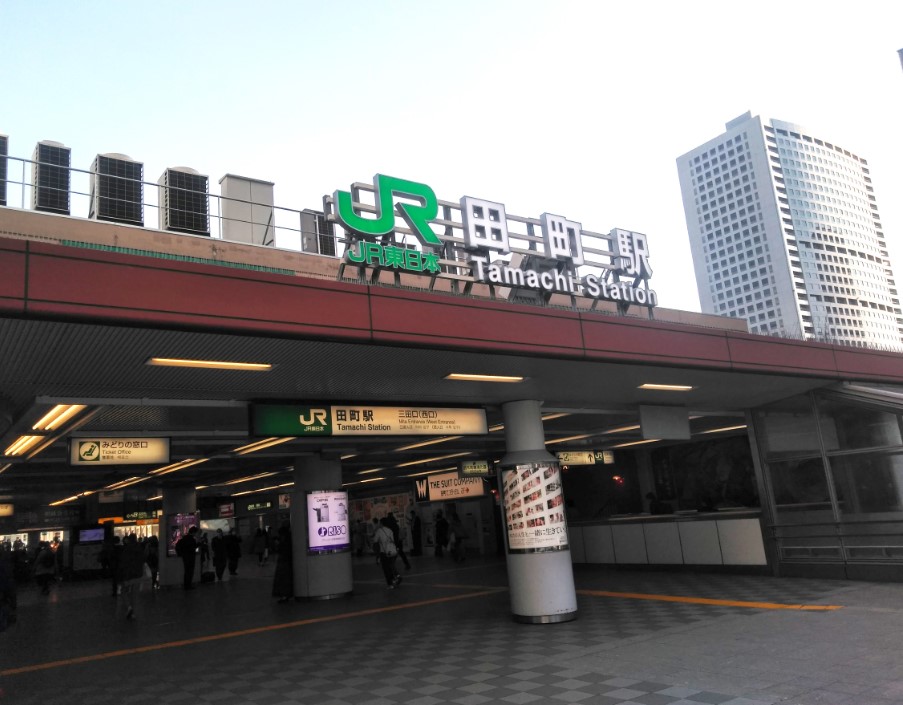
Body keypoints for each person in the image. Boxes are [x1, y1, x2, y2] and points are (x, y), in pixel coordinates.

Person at [119, 534, 145, 620]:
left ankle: (129, 607)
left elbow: (124, 563)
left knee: (124, 591)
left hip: (128, 575)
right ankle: (133, 612)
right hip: (138, 574)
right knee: (134, 594)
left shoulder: (126, 549)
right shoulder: (140, 548)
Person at [374, 517, 401, 588]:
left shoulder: (379, 531)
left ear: (382, 523)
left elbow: (375, 541)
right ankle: (396, 577)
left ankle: (390, 583)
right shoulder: (390, 530)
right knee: (391, 566)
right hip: (391, 551)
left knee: (386, 569)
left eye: (380, 522)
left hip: (384, 552)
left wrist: (377, 555)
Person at [271, 522, 294, 603]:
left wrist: (278, 545)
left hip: (284, 561)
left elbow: (281, 549)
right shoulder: (289, 538)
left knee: (283, 580)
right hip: (287, 561)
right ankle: (286, 595)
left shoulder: (284, 540)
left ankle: (284, 596)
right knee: (286, 580)